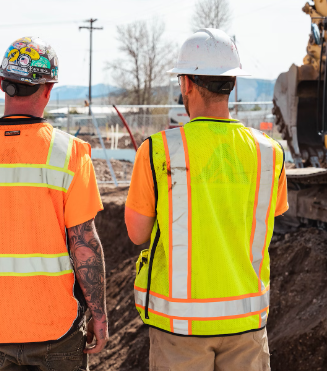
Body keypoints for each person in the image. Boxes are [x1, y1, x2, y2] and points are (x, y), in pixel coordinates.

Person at [0, 36, 108, 371]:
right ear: (49, 88)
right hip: (58, 328)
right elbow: (84, 244)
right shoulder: (70, 153)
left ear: (1, 83)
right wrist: (99, 317)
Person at [125, 28, 288, 371]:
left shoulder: (157, 150)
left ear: (185, 83)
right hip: (246, 323)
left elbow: (138, 234)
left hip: (179, 328)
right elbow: (267, 217)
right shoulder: (269, 153)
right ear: (232, 83)